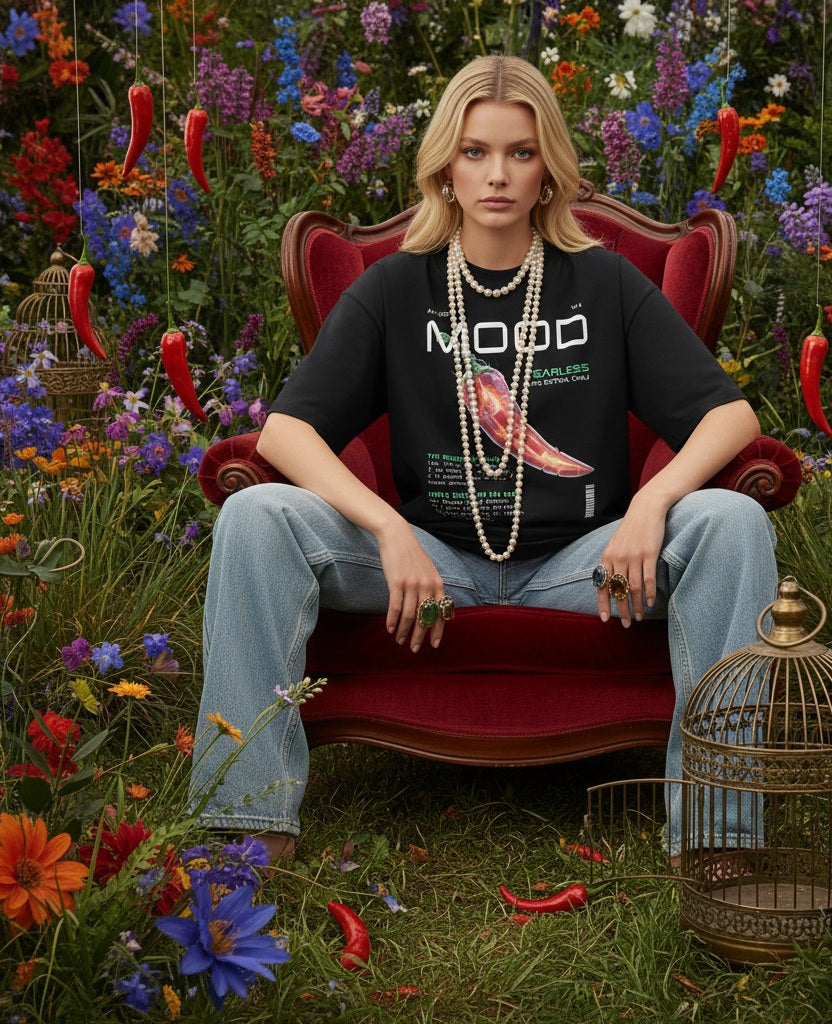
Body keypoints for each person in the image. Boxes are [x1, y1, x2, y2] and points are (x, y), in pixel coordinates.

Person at [189, 54, 778, 861]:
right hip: (429, 559)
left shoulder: (603, 283)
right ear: (445, 170)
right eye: (475, 152)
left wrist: (650, 505)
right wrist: (387, 530)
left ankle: (720, 839)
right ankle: (240, 833)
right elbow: (286, 433)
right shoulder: (396, 288)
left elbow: (731, 415)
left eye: (520, 153)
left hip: (588, 563)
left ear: (549, 171)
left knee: (733, 520)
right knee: (256, 516)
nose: (496, 175)